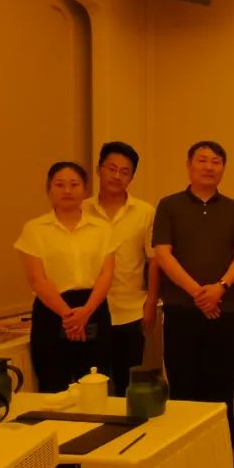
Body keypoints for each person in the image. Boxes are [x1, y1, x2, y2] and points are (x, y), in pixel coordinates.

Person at [153, 141, 234, 447]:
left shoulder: (233, 208)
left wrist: (220, 287)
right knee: (183, 384)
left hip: (225, 310)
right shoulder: (169, 205)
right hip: (182, 309)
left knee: (221, 385)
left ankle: (218, 450)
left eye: (216, 161)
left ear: (223, 168)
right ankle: (186, 450)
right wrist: (198, 293)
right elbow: (163, 254)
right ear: (189, 164)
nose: (209, 167)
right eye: (203, 160)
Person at [15, 162, 116, 393]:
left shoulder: (102, 228)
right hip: (51, 310)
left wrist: (85, 312)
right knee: (53, 383)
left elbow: (106, 274)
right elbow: (37, 279)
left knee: (94, 383)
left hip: (92, 307)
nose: (67, 191)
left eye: (74, 184)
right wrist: (68, 316)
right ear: (49, 189)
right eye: (60, 185)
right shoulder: (35, 229)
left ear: (85, 189)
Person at [84, 142, 159, 397]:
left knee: (128, 385)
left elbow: (154, 261)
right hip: (90, 310)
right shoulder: (82, 210)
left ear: (132, 177)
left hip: (131, 310)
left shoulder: (145, 212)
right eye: (111, 168)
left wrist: (150, 303)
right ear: (99, 169)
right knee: (93, 384)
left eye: (124, 171)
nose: (117, 176)